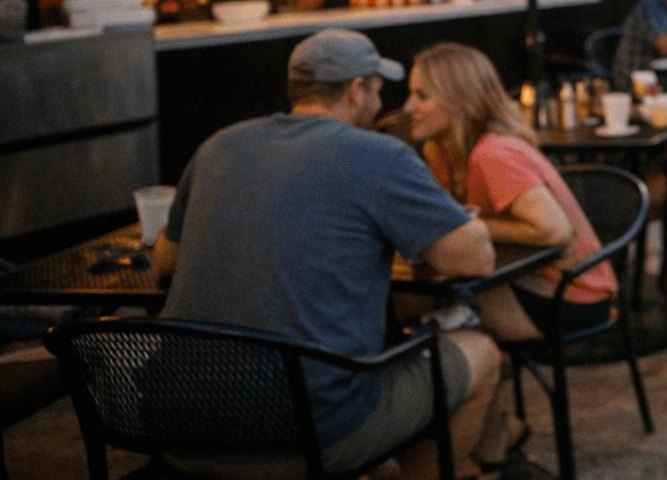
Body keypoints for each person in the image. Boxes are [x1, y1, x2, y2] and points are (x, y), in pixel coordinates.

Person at [151, 28, 501, 480]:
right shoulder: (380, 155)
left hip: (173, 428)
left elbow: (164, 261)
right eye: (378, 91)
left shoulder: (218, 145)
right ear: (358, 91)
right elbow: (475, 261)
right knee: (482, 353)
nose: (381, 105)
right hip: (306, 434)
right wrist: (462, 217)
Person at [404, 41, 618, 344]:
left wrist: (468, 225)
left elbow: (555, 231)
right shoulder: (439, 150)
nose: (407, 107)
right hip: (527, 282)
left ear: (459, 101)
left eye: (422, 96)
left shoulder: (492, 153)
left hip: (572, 297)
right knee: (418, 309)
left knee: (428, 327)